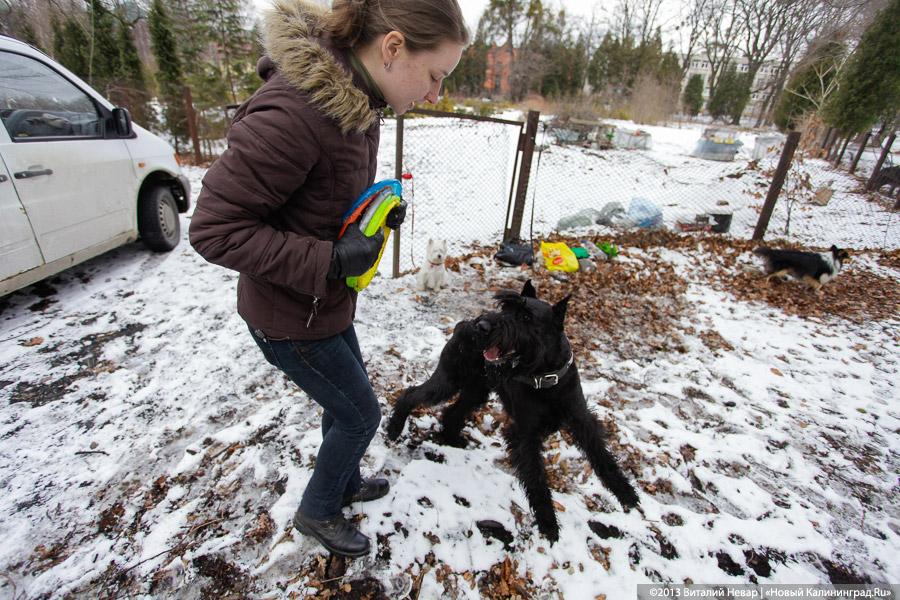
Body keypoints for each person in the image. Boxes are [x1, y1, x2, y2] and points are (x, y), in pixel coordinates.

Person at [189, 0, 468, 557]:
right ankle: (318, 511)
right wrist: (333, 261)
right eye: (435, 76)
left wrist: (370, 213)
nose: (436, 94)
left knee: (346, 402)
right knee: (360, 412)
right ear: (392, 48)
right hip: (289, 317)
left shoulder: (360, 101)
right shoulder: (295, 113)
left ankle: (340, 482)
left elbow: (318, 198)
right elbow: (214, 230)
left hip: (323, 304)